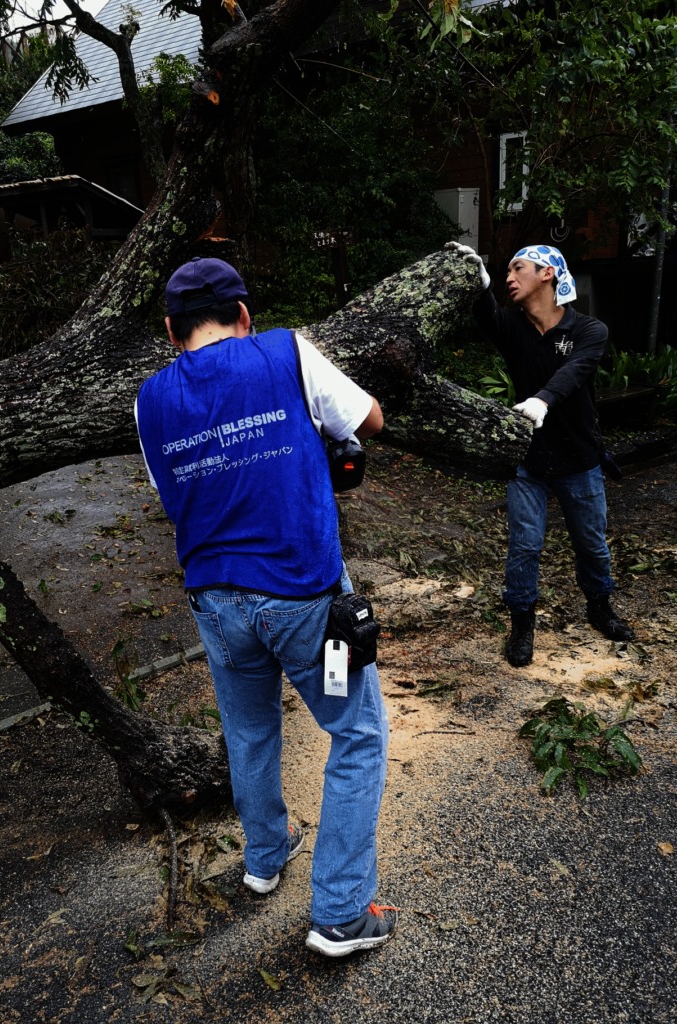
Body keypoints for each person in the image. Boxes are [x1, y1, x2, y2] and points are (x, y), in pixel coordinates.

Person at [134, 256, 397, 956]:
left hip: (216, 607)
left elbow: (173, 495)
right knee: (357, 732)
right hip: (306, 602)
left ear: (171, 330)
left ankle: (264, 858)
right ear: (245, 316)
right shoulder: (283, 351)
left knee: (249, 733)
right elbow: (369, 417)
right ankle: (341, 911)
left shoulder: (148, 401)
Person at [445, 241, 635, 667]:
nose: (509, 277)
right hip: (527, 459)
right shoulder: (510, 327)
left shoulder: (589, 330)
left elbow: (575, 372)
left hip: (579, 459)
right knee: (525, 546)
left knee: (590, 543)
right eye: (505, 271)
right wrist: (476, 279)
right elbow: (483, 313)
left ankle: (600, 606)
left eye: (518, 268)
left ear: (547, 274)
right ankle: (522, 623)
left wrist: (544, 399)